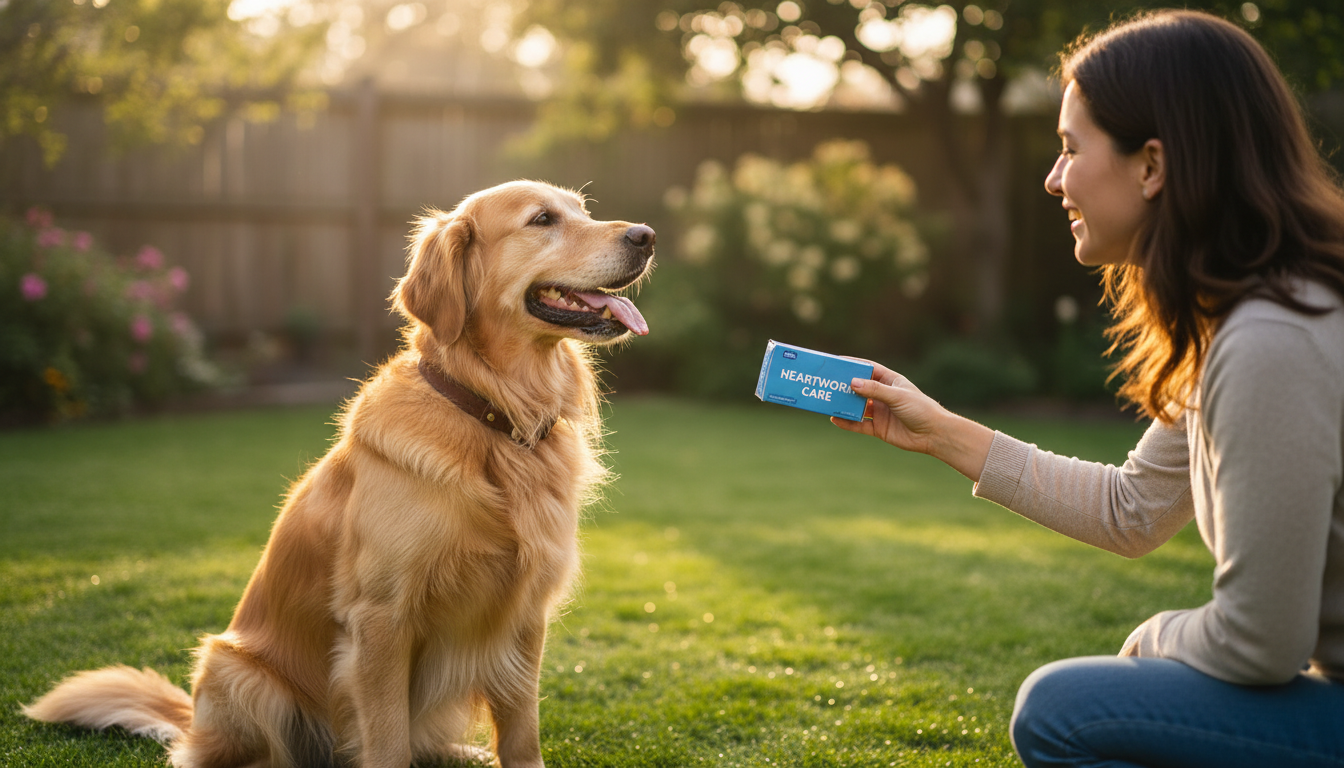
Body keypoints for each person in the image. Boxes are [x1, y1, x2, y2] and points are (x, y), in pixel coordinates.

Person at [832, 9, 1344, 768]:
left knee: (1063, 710)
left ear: (1152, 166)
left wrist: (1152, 638)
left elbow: (1258, 645)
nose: (1052, 177)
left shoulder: (1271, 340)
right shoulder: (1247, 316)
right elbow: (1133, 509)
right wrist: (937, 429)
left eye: (1071, 148)